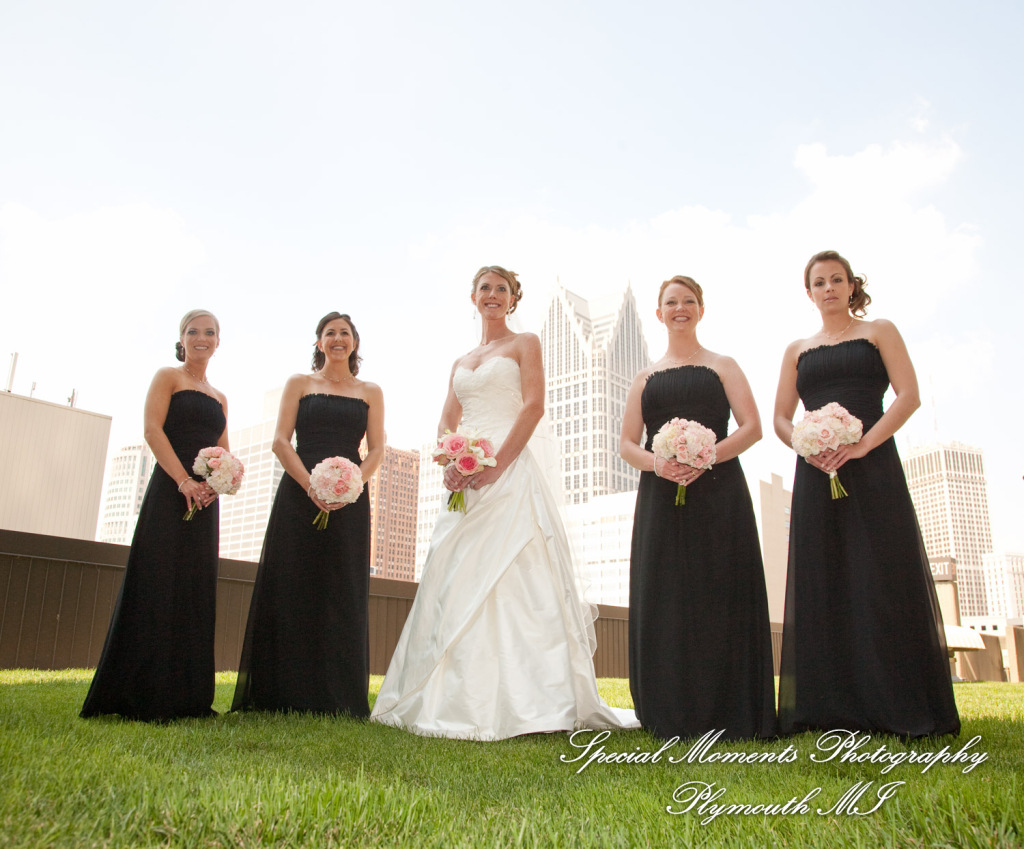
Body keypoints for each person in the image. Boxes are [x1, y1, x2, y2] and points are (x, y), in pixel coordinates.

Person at [371, 266, 637, 739]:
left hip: (509, 471)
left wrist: (496, 464)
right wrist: (451, 461)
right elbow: (446, 422)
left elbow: (533, 405)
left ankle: (536, 702)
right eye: (485, 288)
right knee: (454, 576)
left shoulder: (525, 343)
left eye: (502, 289)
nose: (492, 296)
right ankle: (444, 695)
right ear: (471, 297)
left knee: (520, 577)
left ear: (513, 299)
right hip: (464, 478)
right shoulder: (460, 362)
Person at [773, 250, 959, 738]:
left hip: (873, 466)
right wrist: (808, 448)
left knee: (879, 574)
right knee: (825, 576)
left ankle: (895, 701)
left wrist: (861, 446)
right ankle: (830, 708)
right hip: (815, 471)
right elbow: (779, 417)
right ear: (809, 292)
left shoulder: (879, 331)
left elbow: (909, 396)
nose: (829, 287)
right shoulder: (796, 349)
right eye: (819, 281)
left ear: (852, 286)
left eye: (838, 279)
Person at [620, 276, 777, 740]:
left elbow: (752, 428)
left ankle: (730, 708)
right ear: (659, 313)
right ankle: (669, 709)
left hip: (720, 492)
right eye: (671, 302)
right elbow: (626, 444)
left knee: (720, 589)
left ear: (701, 310)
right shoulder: (643, 378)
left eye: (689, 301)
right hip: (660, 497)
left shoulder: (723, 365)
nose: (680, 308)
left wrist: (706, 456)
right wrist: (659, 465)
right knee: (666, 594)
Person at [232, 312, 383, 715]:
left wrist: (352, 486)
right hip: (299, 495)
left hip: (350, 501)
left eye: (344, 333)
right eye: (329, 333)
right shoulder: (299, 384)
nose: (337, 339)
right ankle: (280, 693)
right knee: (291, 585)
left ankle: (337, 699)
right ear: (319, 342)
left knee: (340, 591)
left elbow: (378, 450)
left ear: (354, 343)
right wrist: (310, 485)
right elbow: (281, 442)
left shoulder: (371, 390)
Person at [81, 310, 228, 721]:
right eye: (193, 331)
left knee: (194, 589)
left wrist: (215, 485)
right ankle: (141, 693)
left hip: (203, 502)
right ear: (181, 339)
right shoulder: (168, 377)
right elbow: (152, 430)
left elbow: (224, 450)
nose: (201, 338)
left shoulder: (221, 398)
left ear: (219, 342)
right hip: (171, 490)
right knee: (157, 581)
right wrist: (183, 481)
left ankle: (189, 697)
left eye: (209, 332)